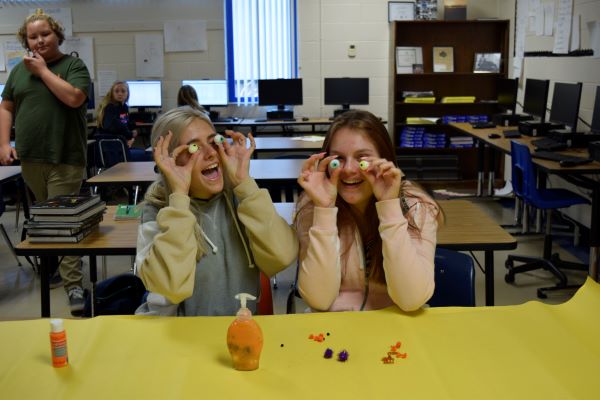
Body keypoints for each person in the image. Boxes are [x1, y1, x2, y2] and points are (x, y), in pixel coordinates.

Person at [135, 106, 297, 316]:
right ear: (169, 160)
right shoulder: (158, 210)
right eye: (193, 147)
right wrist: (179, 199)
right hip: (180, 334)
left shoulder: (240, 199)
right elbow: (170, 288)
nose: (211, 153)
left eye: (214, 142)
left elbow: (282, 257)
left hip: (240, 334)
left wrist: (245, 185)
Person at [295, 110, 442, 313]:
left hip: (395, 325)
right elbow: (319, 300)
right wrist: (324, 210)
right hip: (335, 328)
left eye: (362, 158)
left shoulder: (415, 206)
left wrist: (389, 206)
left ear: (385, 159)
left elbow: (411, 299)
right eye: (338, 159)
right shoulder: (312, 207)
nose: (348, 169)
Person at [0, 9, 90, 315]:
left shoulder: (73, 65)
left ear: (57, 35)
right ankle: (55, 266)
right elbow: (6, 107)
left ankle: (73, 284)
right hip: (31, 159)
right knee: (46, 221)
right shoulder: (17, 72)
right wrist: (3, 143)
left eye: (45, 34)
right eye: (32, 36)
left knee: (62, 223)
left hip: (65, 158)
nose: (39, 40)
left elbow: (75, 98)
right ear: (26, 40)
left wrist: (42, 71)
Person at [95, 80, 151, 162]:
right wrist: (130, 135)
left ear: (127, 93)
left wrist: (133, 129)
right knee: (150, 156)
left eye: (123, 91)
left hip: (122, 147)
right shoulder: (109, 108)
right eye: (117, 91)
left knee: (148, 152)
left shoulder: (124, 106)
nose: (120, 94)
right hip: (113, 151)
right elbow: (115, 125)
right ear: (112, 93)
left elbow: (127, 121)